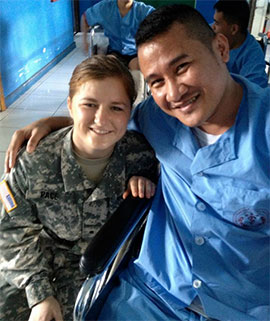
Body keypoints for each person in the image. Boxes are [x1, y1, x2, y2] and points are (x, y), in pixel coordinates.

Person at [3, 4, 270, 321]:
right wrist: (53, 122)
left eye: (182, 67)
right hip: (153, 293)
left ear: (221, 48)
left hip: (243, 308)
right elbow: (106, 125)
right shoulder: (159, 117)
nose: (174, 93)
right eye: (156, 81)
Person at [0, 55, 158, 321]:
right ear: (70, 105)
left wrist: (146, 184)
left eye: (116, 108)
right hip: (39, 263)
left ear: (129, 112)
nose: (101, 118)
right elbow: (11, 232)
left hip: (107, 268)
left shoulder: (141, 157)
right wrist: (40, 295)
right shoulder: (34, 160)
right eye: (89, 104)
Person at [81, 0, 154, 70]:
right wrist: (85, 41)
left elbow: (160, 24)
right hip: (114, 51)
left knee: (137, 70)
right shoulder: (105, 8)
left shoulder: (143, 10)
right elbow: (85, 18)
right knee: (111, 68)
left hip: (135, 52)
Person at [212, 0, 268, 88]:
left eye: (217, 23)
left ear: (234, 29)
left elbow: (254, 93)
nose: (213, 27)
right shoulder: (210, 33)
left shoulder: (252, 55)